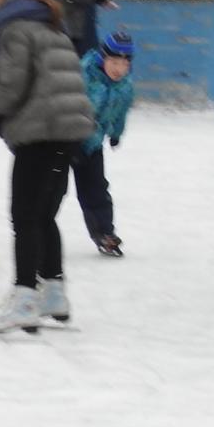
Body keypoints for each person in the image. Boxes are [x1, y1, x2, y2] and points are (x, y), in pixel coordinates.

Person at [0, 0, 97, 334]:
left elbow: (13, 85)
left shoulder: (14, 27)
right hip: (69, 129)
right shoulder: (48, 19)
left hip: (42, 130)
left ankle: (25, 296)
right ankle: (54, 292)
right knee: (43, 216)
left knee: (24, 215)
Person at [74, 31, 134, 257]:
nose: (118, 69)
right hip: (67, 139)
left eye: (124, 63)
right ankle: (37, 227)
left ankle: (105, 233)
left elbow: (120, 114)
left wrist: (116, 134)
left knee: (97, 189)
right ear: (102, 58)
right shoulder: (84, 74)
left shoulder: (125, 87)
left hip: (94, 143)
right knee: (53, 190)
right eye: (114, 62)